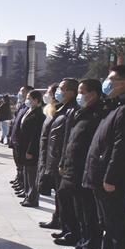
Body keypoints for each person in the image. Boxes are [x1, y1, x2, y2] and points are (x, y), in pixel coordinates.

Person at [82, 65, 125, 249]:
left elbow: (122, 147)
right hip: (102, 177)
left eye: (111, 79)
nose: (107, 83)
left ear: (124, 82)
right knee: (108, 225)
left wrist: (111, 177)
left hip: (112, 181)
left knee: (119, 229)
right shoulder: (117, 105)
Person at [58, 79, 103, 249]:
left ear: (93, 94)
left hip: (86, 172)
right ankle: (81, 244)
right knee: (79, 212)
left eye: (82, 91)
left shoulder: (99, 114)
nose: (79, 95)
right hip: (73, 170)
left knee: (89, 215)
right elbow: (71, 141)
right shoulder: (81, 112)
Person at [41, 80, 79, 231]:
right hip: (56, 158)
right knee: (59, 196)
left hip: (62, 161)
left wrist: (62, 161)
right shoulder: (62, 109)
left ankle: (69, 230)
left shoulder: (73, 110)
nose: (58, 92)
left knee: (67, 199)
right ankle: (62, 223)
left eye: (61, 89)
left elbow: (67, 139)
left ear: (71, 92)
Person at [18, 90, 45, 207]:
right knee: (27, 172)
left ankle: (33, 198)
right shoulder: (30, 111)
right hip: (24, 147)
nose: (27, 100)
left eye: (29, 98)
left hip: (31, 150)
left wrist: (30, 151)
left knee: (32, 175)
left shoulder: (39, 115)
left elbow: (35, 136)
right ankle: (27, 195)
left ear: (36, 100)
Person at [9, 85, 34, 192]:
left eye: (23, 91)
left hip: (23, 141)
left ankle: (24, 185)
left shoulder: (31, 109)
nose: (20, 93)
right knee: (18, 162)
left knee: (24, 165)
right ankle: (19, 180)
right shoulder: (22, 106)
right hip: (16, 139)